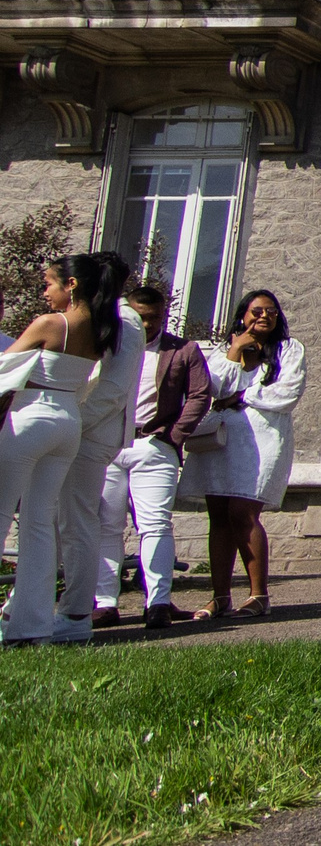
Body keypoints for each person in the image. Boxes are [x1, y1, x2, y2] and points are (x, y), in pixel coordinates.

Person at [1, 255, 115, 644]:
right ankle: (32, 627)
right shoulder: (103, 328)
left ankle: (26, 625)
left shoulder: (50, 324)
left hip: (31, 417)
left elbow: (3, 369)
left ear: (71, 284)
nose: (44, 291)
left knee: (1, 513)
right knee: (39, 525)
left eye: (48, 283)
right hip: (68, 422)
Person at [180, 289, 305, 620]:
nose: (265, 316)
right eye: (257, 311)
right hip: (222, 439)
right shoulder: (224, 350)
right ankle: (220, 596)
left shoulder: (289, 350)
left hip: (262, 440)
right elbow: (212, 387)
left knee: (243, 511)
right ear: (242, 315)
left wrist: (244, 395)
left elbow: (287, 392)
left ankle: (258, 594)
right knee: (219, 514)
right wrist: (236, 349)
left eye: (272, 312)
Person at [96, 279, 210, 629]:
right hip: (109, 444)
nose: (149, 325)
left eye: (156, 317)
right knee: (106, 525)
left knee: (156, 524)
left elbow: (200, 394)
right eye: (142, 317)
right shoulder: (109, 347)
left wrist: (172, 436)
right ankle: (104, 603)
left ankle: (158, 602)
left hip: (154, 445)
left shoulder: (182, 349)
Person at [47, 251, 141, 643]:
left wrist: (73, 423)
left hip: (92, 433)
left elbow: (114, 389)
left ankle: (75, 612)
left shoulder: (126, 319)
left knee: (78, 521)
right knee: (56, 520)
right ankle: (41, 603)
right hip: (82, 429)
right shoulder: (105, 314)